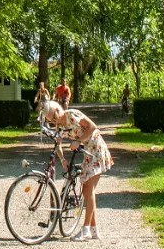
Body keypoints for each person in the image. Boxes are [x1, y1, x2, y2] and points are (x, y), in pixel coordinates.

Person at [42, 102, 113, 241]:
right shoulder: (60, 126)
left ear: (58, 110)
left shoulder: (72, 115)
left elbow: (92, 127)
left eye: (54, 117)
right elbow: (58, 144)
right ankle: (94, 230)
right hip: (88, 152)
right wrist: (62, 159)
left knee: (88, 190)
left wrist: (79, 141)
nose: (54, 121)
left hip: (96, 150)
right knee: (87, 190)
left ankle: (86, 229)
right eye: (51, 120)